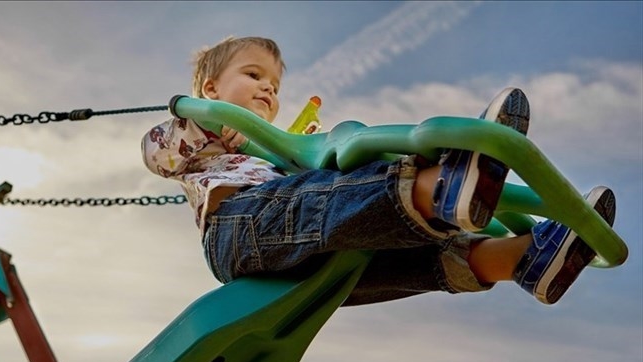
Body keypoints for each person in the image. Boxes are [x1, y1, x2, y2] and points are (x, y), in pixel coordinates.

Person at [142, 36, 616, 306]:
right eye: (253, 76)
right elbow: (156, 153)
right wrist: (203, 118)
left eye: (273, 84)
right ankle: (439, 187)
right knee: (331, 194)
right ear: (209, 88)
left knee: (382, 259)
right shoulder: (193, 137)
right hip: (239, 234)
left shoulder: (277, 147)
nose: (267, 89)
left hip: (300, 260)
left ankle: (521, 257)